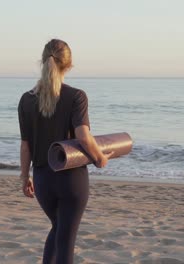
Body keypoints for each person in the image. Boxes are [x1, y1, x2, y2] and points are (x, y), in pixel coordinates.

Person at [18, 39, 113, 264]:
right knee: (66, 239)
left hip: (42, 181)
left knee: (58, 229)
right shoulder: (76, 96)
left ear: (42, 61)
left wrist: (24, 177)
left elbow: (25, 145)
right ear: (68, 66)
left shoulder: (26, 100)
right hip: (71, 180)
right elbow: (83, 136)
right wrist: (100, 158)